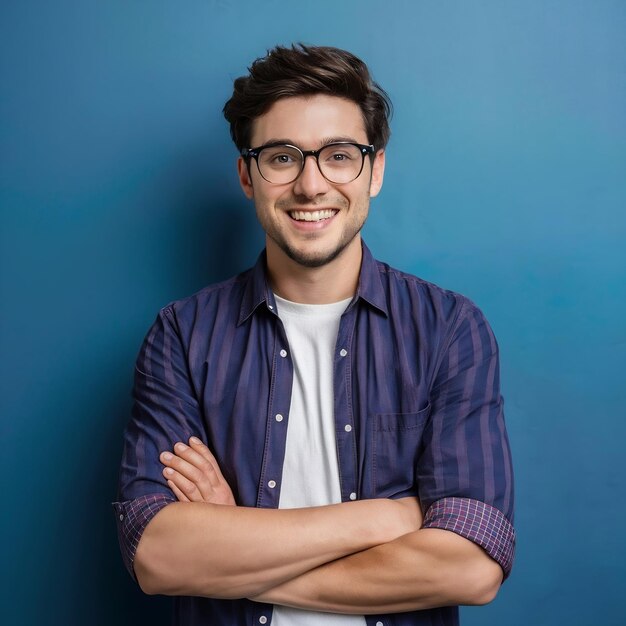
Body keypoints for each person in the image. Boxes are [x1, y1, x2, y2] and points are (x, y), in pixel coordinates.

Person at [114, 44, 515, 626]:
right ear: (247, 176)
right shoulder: (182, 335)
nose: (310, 185)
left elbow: (471, 568)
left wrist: (232, 548)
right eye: (282, 157)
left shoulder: (448, 330)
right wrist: (383, 518)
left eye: (338, 155)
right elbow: (157, 556)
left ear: (374, 170)